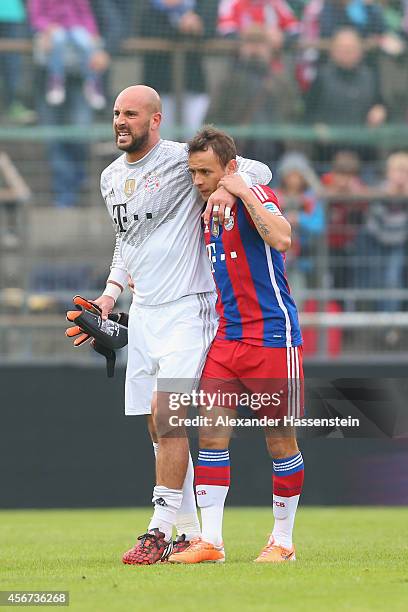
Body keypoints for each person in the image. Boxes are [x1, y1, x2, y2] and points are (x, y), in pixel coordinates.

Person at [91, 86, 272, 565]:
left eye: (130, 114)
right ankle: (189, 533)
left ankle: (157, 528)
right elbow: (125, 241)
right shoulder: (110, 177)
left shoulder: (180, 159)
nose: (120, 122)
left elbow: (256, 170)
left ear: (155, 119)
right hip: (145, 312)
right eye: (115, 114)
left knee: (167, 412)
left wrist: (230, 193)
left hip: (190, 309)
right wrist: (110, 295)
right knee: (157, 424)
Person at [168, 126, 304, 564]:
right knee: (210, 434)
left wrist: (241, 190)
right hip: (227, 339)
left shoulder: (257, 195)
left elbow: (282, 239)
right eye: (193, 173)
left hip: (272, 336)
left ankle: (282, 542)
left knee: (279, 440)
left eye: (206, 172)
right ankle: (212, 542)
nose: (198, 181)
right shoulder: (205, 210)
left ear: (229, 169)